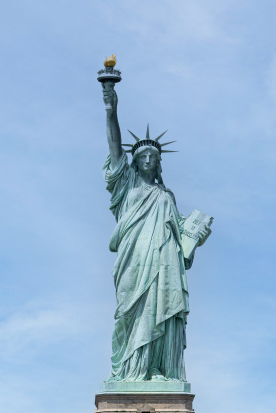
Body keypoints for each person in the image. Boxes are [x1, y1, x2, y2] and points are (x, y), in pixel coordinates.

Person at [99, 79, 210, 384]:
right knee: (129, 313)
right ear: (134, 162)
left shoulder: (167, 196)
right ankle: (129, 371)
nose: (148, 158)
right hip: (134, 260)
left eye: (153, 156)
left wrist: (194, 238)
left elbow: (180, 245)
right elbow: (113, 145)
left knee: (160, 308)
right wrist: (111, 109)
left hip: (163, 263)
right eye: (142, 155)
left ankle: (156, 369)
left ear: (159, 163)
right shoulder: (127, 187)